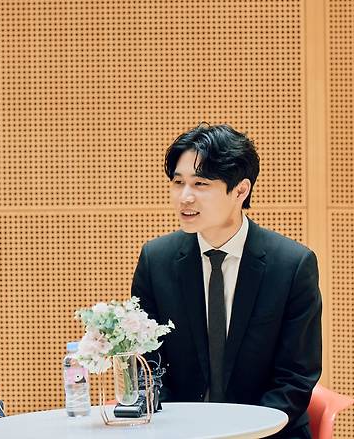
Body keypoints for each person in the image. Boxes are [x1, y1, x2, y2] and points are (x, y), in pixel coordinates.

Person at [131, 123, 322, 439]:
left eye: (201, 183)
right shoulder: (157, 260)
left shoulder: (291, 265)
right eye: (178, 183)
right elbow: (146, 365)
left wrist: (241, 434)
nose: (185, 197)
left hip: (267, 433)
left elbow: (296, 379)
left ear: (241, 190)